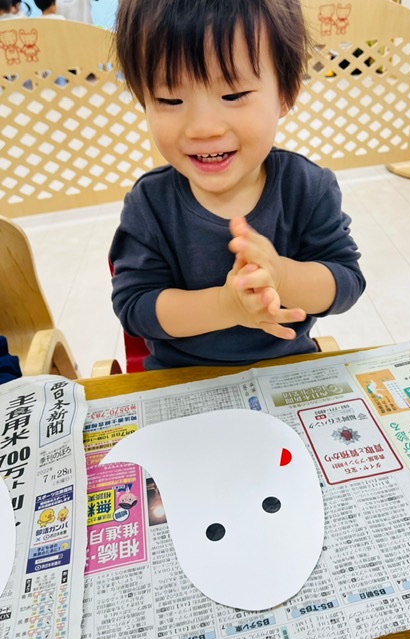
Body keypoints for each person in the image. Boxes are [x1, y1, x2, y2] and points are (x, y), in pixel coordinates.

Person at [109, 0, 366, 370]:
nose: (203, 128)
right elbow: (135, 309)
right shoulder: (149, 204)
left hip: (287, 372)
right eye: (170, 99)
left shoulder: (307, 188)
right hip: (181, 379)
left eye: (232, 95)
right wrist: (226, 306)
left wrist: (282, 276)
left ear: (287, 93)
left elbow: (346, 283)